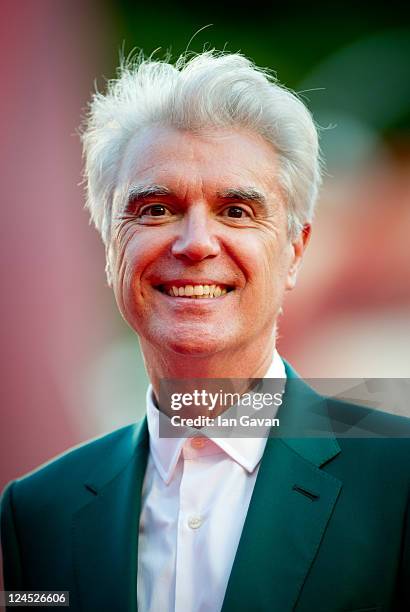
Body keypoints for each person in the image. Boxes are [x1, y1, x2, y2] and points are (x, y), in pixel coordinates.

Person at [1, 50, 409, 612]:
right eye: (155, 209)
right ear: (108, 244)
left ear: (295, 251)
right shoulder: (37, 510)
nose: (195, 243)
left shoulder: (400, 480)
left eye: (236, 211)